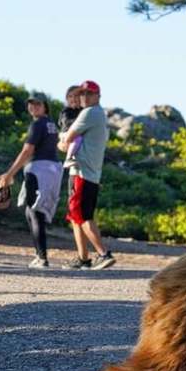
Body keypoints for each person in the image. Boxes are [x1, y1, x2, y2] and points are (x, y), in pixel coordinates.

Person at [0, 93, 63, 268]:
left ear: (45, 106)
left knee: (34, 212)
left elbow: (27, 151)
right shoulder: (51, 124)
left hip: (39, 169)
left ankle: (42, 258)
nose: (33, 107)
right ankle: (39, 255)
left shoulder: (37, 124)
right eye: (31, 104)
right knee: (31, 211)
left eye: (37, 104)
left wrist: (9, 174)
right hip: (53, 168)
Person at [59, 80, 116, 270]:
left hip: (82, 172)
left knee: (82, 216)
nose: (84, 97)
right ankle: (83, 258)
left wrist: (62, 143)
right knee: (76, 216)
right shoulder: (98, 114)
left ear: (97, 96)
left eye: (88, 94)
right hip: (86, 172)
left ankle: (103, 254)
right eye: (82, 94)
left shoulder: (90, 112)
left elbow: (68, 138)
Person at [58, 85, 83, 169]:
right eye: (70, 96)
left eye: (76, 96)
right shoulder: (66, 110)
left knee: (78, 140)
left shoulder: (82, 110)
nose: (73, 98)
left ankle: (72, 157)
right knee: (78, 139)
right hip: (66, 132)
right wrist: (78, 121)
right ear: (67, 99)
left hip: (74, 133)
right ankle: (68, 159)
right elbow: (65, 122)